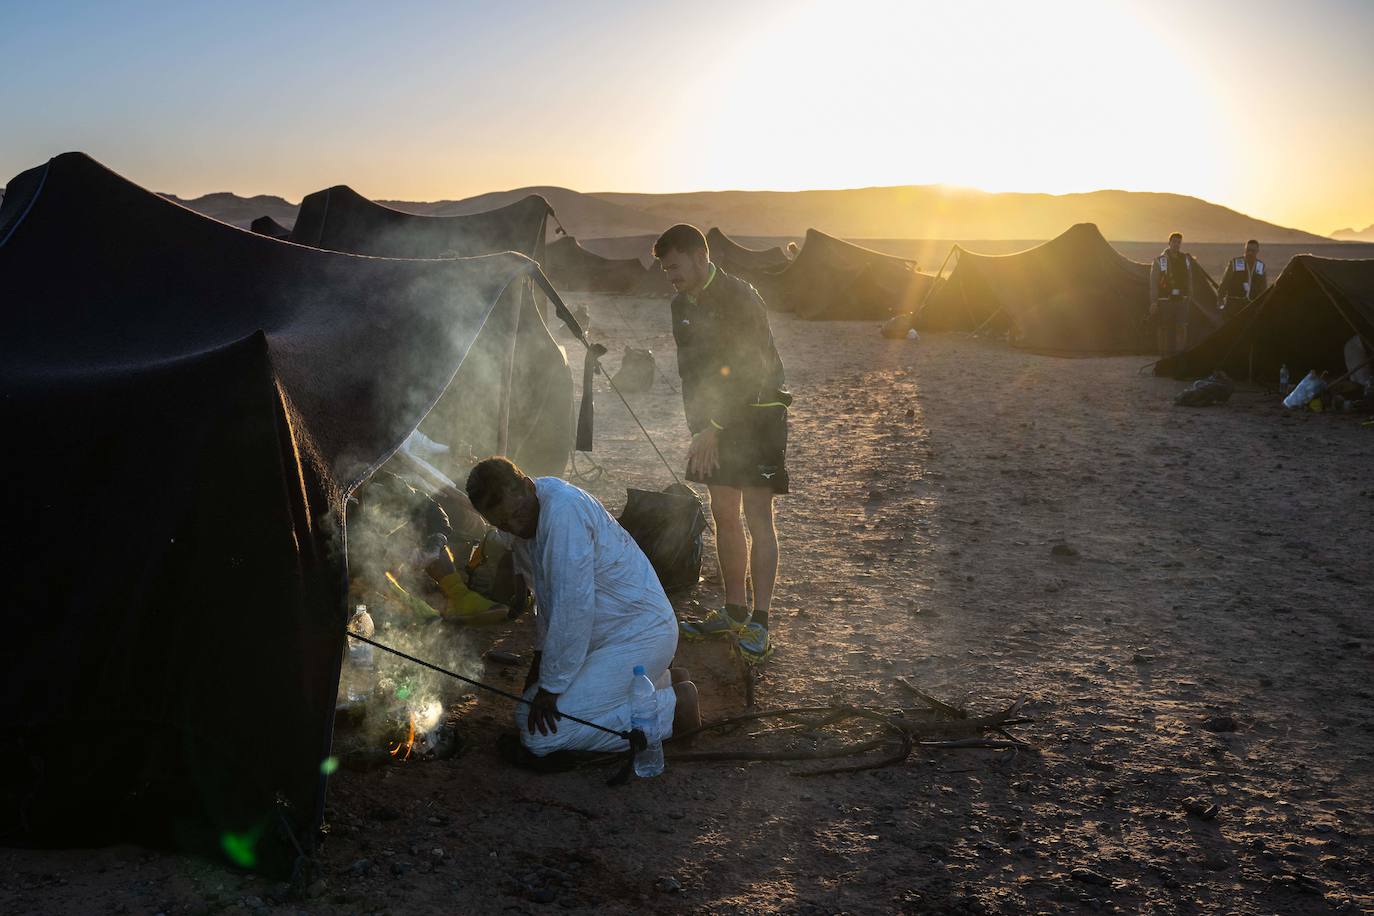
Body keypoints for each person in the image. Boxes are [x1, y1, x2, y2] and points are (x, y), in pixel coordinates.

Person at [465, 457, 700, 756]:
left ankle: (675, 708)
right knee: (526, 715)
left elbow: (571, 608)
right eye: (501, 524)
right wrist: (539, 674)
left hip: (641, 634)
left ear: (527, 486)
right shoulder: (522, 521)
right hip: (601, 640)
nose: (514, 527)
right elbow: (547, 605)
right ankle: (661, 684)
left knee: (542, 739)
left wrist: (551, 688)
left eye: (516, 514)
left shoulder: (564, 512)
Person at [653, 223, 791, 664]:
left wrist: (715, 424)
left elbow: (748, 368)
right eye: (665, 270)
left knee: (757, 514)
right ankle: (733, 611)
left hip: (759, 416)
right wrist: (700, 427)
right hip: (712, 424)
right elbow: (689, 372)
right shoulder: (680, 305)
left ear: (699, 256)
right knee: (722, 512)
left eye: (675, 267)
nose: (670, 277)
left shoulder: (740, 297)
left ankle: (760, 622)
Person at [1149, 231, 1194, 357]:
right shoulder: (1159, 261)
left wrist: (1190, 295)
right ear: (1169, 243)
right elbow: (1153, 282)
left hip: (1182, 299)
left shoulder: (1185, 259)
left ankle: (1179, 356)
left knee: (1182, 327)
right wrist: (1153, 302)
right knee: (1163, 329)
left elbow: (1190, 278)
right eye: (1174, 242)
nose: (1176, 244)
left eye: (1179, 242)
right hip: (1165, 300)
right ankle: (1163, 355)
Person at [1216, 239, 1267, 315]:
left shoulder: (1260, 266)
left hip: (1252, 305)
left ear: (1257, 251)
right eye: (1248, 250)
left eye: (1253, 251)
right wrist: (1220, 298)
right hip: (1234, 304)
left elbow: (1263, 288)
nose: (1250, 253)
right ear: (1245, 250)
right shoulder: (1235, 263)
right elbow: (1225, 282)